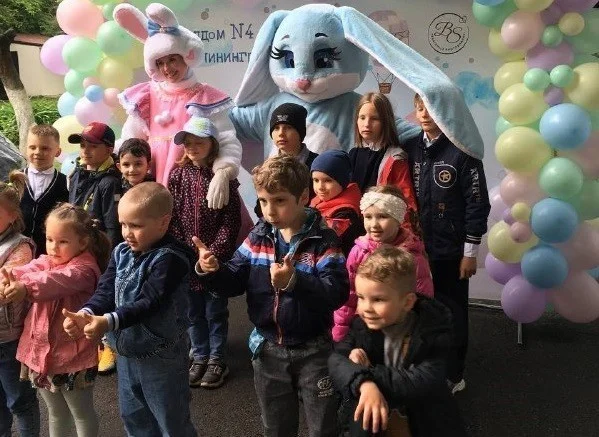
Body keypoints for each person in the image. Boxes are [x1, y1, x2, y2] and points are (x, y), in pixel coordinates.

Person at [195, 155, 349, 437]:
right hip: (267, 349)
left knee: (323, 427)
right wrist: (213, 271)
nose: (269, 210)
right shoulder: (258, 236)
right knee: (275, 427)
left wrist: (294, 281)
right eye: (263, 201)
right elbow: (234, 280)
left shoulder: (324, 241)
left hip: (315, 351)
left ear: (303, 197)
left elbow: (336, 293)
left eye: (279, 200)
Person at [63, 182, 197, 437]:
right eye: (123, 224)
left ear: (163, 222)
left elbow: (149, 302)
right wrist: (86, 313)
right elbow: (106, 289)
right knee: (135, 419)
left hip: (162, 357)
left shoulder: (171, 259)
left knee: (171, 421)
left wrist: (108, 321)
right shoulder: (121, 251)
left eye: (136, 226)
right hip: (127, 354)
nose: (127, 233)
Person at [113, 2, 242, 212]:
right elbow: (131, 140)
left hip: (193, 183)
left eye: (172, 59)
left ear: (187, 56)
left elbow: (226, 139)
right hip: (153, 180)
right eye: (160, 62)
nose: (167, 68)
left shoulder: (204, 96)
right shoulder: (147, 95)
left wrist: (223, 171)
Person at [402, 93, 490, 394]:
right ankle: (425, 368)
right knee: (418, 311)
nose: (424, 114)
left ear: (446, 112)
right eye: (419, 108)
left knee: (452, 313)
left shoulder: (463, 151)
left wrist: (470, 253)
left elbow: (477, 204)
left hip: (451, 253)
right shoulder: (410, 148)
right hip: (416, 250)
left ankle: (454, 373)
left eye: (431, 109)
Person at [328, 246, 467, 437]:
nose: (366, 308)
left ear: (407, 302)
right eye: (361, 297)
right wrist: (365, 384)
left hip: (425, 422)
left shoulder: (433, 330)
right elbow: (336, 360)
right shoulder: (361, 325)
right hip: (375, 423)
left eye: (378, 299)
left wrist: (368, 372)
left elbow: (423, 380)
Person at [2, 203, 111, 437]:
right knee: (56, 412)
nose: (53, 247)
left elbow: (53, 281)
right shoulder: (49, 260)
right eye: (49, 239)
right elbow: (31, 268)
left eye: (62, 241)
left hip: (73, 356)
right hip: (42, 354)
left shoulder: (84, 270)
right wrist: (9, 279)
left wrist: (24, 287)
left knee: (81, 413)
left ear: (83, 242)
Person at [168, 116, 241, 389]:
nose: (192, 147)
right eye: (187, 142)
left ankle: (217, 358)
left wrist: (214, 253)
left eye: (199, 142)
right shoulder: (177, 176)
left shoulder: (223, 179)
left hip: (213, 261)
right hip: (188, 260)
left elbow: (231, 221)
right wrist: (185, 251)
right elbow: (172, 217)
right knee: (192, 311)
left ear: (213, 144)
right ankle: (199, 355)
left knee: (215, 311)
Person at [333, 185, 433, 343]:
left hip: (399, 336)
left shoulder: (413, 258)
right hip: (364, 331)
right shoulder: (358, 252)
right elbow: (349, 296)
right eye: (368, 217)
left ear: (398, 218)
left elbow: (423, 303)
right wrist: (341, 330)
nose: (374, 224)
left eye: (382, 216)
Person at [67, 121, 122, 375]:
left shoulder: (110, 182)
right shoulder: (78, 172)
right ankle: (91, 341)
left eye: (92, 146)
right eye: (82, 145)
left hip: (99, 251)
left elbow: (112, 226)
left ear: (109, 149)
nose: (85, 150)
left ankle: (109, 345)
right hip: (78, 246)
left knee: (104, 296)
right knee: (86, 296)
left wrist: (109, 259)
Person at [0, 172, 39, 437]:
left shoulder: (20, 247)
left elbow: (5, 290)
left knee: (19, 401)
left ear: (13, 216)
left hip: (10, 339)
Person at [349, 92, 417, 228]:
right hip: (355, 228)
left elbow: (406, 203)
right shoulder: (353, 153)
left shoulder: (396, 158)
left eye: (374, 119)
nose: (366, 124)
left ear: (386, 122)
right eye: (362, 117)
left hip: (382, 230)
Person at [255, 102, 318, 218]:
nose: (281, 133)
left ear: (300, 132)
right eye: (276, 128)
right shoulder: (268, 167)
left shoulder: (317, 165)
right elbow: (260, 209)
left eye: (288, 127)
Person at [20, 124, 68, 257]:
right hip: (16, 248)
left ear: (58, 152)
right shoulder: (16, 179)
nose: (37, 152)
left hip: (48, 252)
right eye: (32, 147)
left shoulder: (66, 183)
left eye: (45, 148)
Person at [309, 150, 363, 256]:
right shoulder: (319, 201)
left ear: (342, 181)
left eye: (328, 180)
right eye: (316, 180)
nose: (320, 187)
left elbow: (325, 242)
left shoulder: (345, 213)